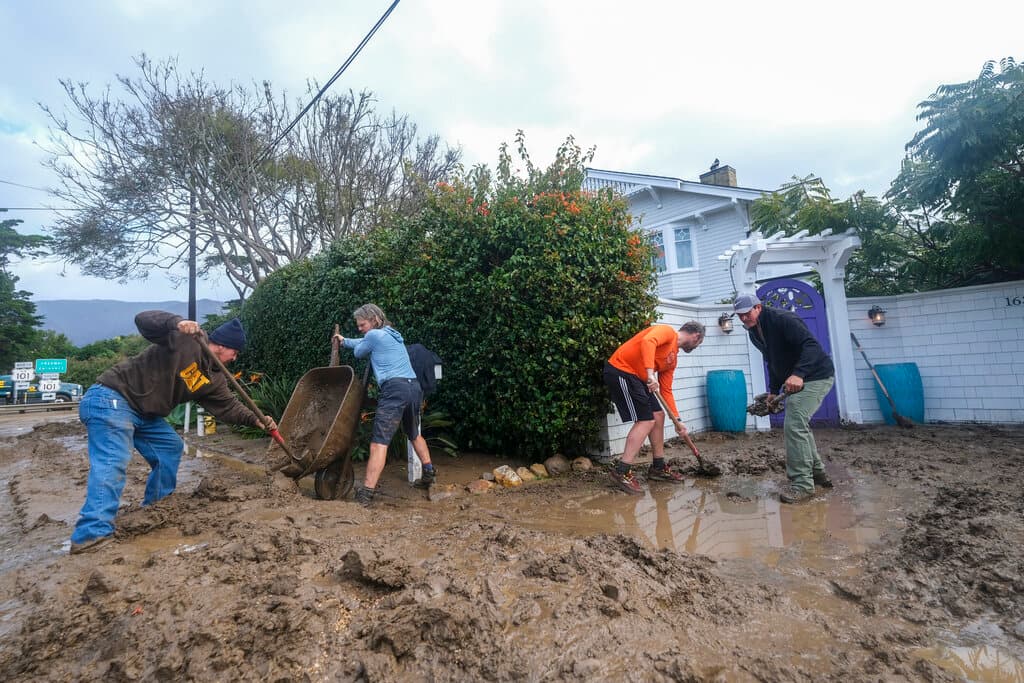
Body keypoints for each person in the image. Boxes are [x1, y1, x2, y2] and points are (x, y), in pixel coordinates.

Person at [70, 312, 278, 554]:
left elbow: (228, 406)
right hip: (112, 398)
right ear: (223, 346)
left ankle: (156, 508)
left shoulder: (214, 377)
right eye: (236, 352)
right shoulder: (185, 340)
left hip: (145, 414)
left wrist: (255, 419)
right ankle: (91, 534)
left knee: (170, 446)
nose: (235, 358)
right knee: (112, 461)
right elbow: (143, 321)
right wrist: (176, 323)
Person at [733, 293, 835, 503]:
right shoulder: (754, 332)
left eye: (746, 313)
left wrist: (798, 373)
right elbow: (773, 361)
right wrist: (773, 390)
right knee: (799, 425)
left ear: (758, 307)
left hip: (816, 375)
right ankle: (817, 474)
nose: (743, 318)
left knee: (794, 422)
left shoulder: (783, 319)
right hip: (794, 377)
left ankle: (802, 486)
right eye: (739, 315)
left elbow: (812, 347)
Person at [333, 304, 434, 507]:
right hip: (413, 387)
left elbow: (360, 352)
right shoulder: (391, 335)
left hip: (394, 388)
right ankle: (429, 472)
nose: (360, 328)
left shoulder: (374, 337)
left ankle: (366, 494)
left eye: (362, 324)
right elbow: (363, 341)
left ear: (374, 320)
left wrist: (349, 345)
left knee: (379, 442)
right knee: (414, 433)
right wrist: (344, 341)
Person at [603, 321, 706, 494]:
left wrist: (678, 421)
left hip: (639, 378)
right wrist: (651, 374)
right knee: (646, 420)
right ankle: (621, 471)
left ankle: (658, 467)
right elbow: (648, 341)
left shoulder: (672, 359)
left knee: (658, 414)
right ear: (696, 336)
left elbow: (666, 390)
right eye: (700, 343)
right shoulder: (666, 332)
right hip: (621, 370)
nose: (697, 346)